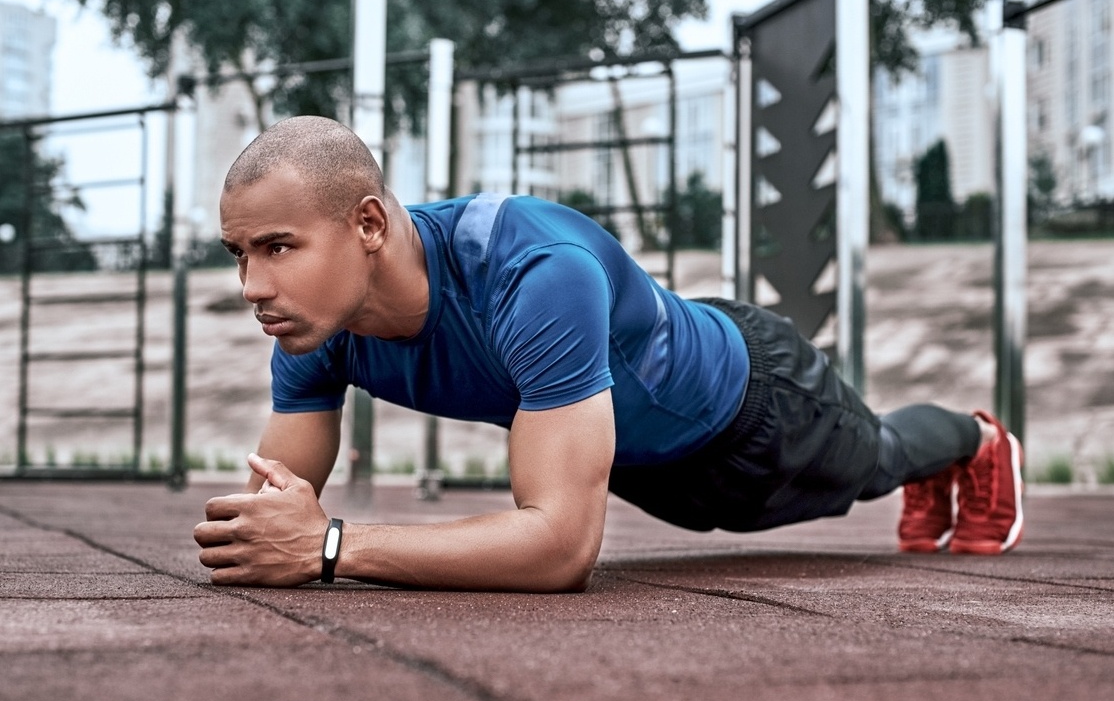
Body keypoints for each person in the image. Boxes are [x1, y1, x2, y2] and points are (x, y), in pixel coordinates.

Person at [193, 116, 1024, 591]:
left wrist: (332, 545)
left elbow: (558, 550)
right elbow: (272, 518)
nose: (253, 285)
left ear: (368, 225)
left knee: (876, 457)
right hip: (642, 461)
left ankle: (978, 441)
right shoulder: (313, 323)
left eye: (276, 247)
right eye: (240, 253)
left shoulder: (528, 271)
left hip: (754, 406)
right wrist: (278, 535)